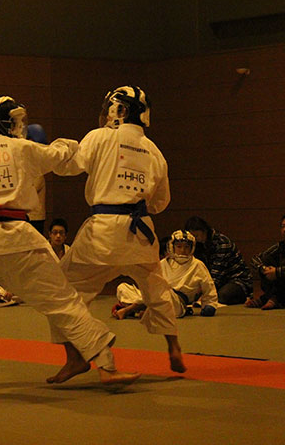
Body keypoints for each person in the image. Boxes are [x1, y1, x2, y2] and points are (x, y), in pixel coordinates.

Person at [0, 94, 140, 391]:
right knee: (64, 303)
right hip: (22, 240)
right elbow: (58, 156)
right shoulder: (22, 148)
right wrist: (70, 143)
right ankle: (106, 367)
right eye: (13, 120)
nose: (18, 126)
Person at [50, 85, 186, 380]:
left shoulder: (101, 137)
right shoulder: (154, 150)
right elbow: (160, 203)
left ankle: (76, 356)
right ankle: (173, 345)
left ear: (118, 110)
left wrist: (51, 150)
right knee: (156, 287)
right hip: (141, 232)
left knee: (62, 289)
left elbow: (69, 166)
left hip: (104, 230)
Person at [114, 230, 219, 319]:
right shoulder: (164, 263)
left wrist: (210, 304)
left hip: (177, 303)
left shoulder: (197, 265)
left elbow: (208, 286)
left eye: (187, 247)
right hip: (158, 296)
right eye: (179, 246)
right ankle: (148, 309)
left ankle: (131, 309)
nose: (183, 250)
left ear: (192, 248)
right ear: (172, 247)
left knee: (165, 293)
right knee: (123, 288)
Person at [184, 216, 253, 305]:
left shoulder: (222, 242)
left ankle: (244, 297)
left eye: (196, 236)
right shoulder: (197, 245)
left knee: (222, 296)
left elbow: (217, 273)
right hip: (216, 281)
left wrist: (205, 292)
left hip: (236, 279)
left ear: (204, 230)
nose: (195, 239)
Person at [26, 124, 48, 235]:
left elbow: (29, 190)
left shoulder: (36, 168)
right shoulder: (30, 165)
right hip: (28, 216)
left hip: (34, 217)